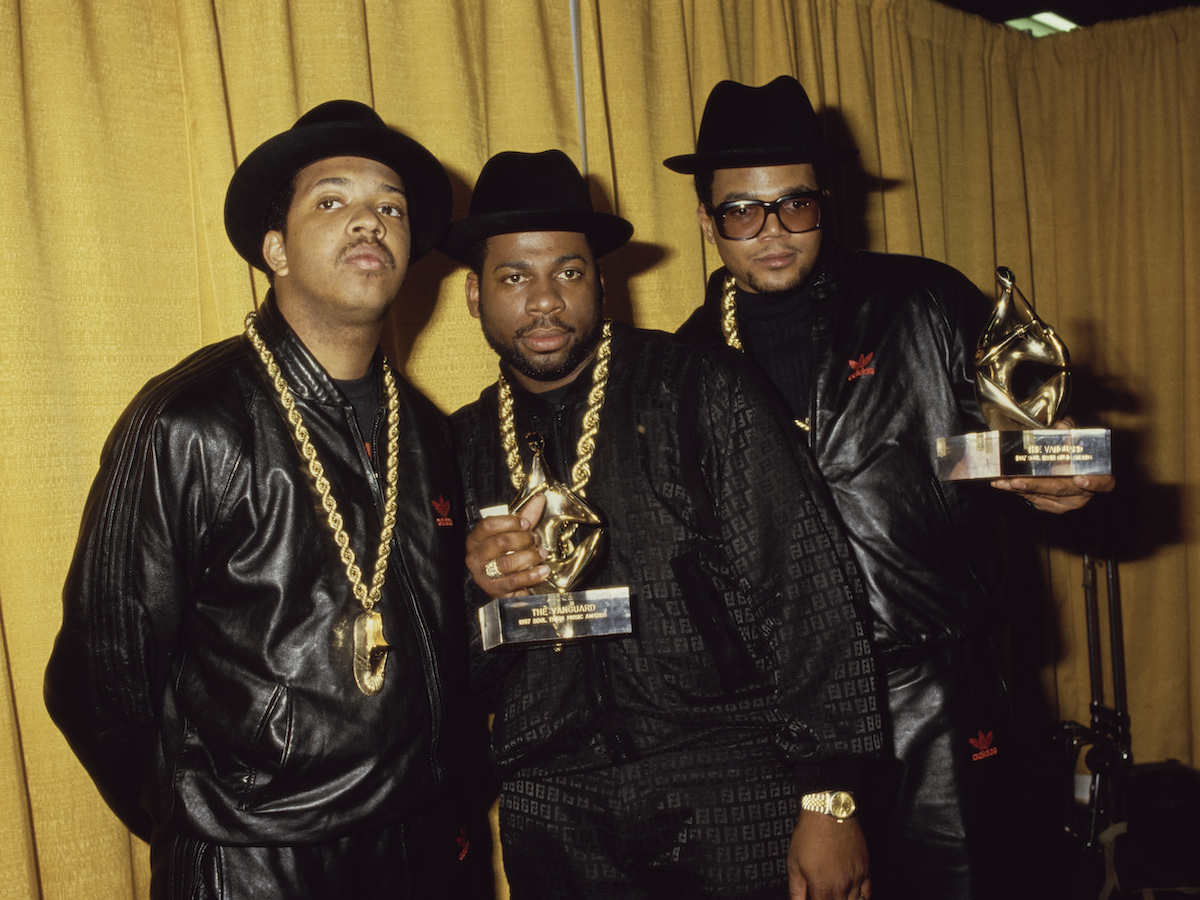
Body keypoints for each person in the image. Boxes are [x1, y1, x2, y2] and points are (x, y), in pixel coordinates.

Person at [664, 76, 1116, 899]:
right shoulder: (688, 365)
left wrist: (1062, 471)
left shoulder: (924, 300)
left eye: (795, 204)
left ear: (825, 201)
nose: (772, 232)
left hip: (937, 688)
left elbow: (1028, 424)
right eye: (742, 211)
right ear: (707, 219)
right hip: (784, 716)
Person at [44, 100, 488, 899]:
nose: (369, 221)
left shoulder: (426, 431)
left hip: (426, 849)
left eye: (390, 206)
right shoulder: (189, 421)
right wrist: (206, 825)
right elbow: (97, 682)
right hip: (258, 867)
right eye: (333, 201)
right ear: (275, 248)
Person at [443, 148, 882, 900]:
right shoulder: (457, 446)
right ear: (475, 297)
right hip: (552, 802)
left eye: (569, 272)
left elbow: (808, 586)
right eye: (514, 276)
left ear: (601, 282)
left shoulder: (699, 387)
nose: (545, 301)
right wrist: (476, 589)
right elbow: (454, 667)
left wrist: (831, 797)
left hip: (727, 779)